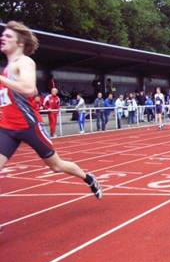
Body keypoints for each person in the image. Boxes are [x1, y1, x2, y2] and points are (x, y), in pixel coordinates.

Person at [0, 21, 102, 199]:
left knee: (56, 166)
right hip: (7, 128)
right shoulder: (6, 69)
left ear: (20, 43)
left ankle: (88, 177)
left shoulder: (24, 62)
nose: (2, 37)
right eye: (3, 35)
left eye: (8, 36)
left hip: (28, 126)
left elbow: (29, 89)